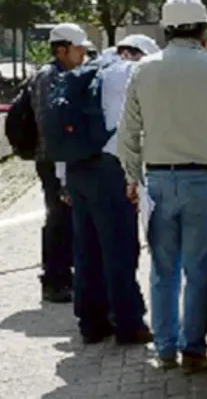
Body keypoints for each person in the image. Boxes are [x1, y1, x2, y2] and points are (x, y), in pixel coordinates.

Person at [120, 0, 207, 372]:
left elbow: (128, 135)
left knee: (163, 270)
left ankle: (164, 349)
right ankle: (193, 350)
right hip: (206, 182)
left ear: (166, 28)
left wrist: (133, 178)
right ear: (202, 30)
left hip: (159, 182)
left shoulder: (143, 70)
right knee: (197, 271)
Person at [60, 35, 158, 346]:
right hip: (109, 170)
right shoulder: (129, 73)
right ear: (138, 54)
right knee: (120, 249)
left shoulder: (86, 70)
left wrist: (63, 178)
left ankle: (92, 324)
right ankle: (129, 325)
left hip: (76, 169)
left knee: (87, 249)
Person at [27, 23, 90, 303]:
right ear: (61, 50)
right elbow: (48, 122)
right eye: (78, 49)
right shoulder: (47, 77)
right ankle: (54, 279)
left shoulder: (69, 74)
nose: (83, 54)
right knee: (58, 217)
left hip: (65, 157)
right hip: (52, 159)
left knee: (68, 218)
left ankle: (65, 274)